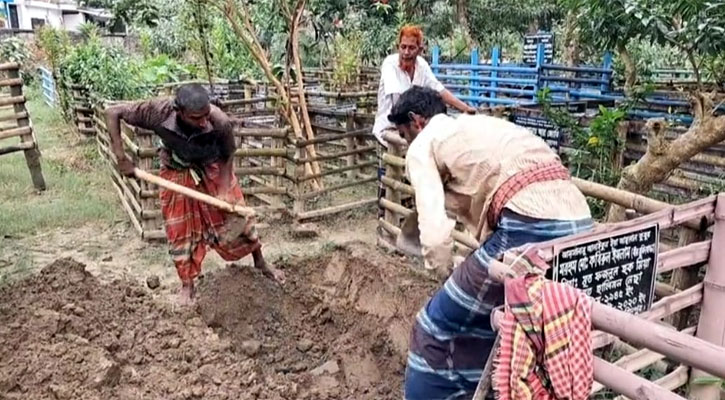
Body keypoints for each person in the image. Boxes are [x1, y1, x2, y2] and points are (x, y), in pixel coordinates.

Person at [387, 86, 593, 399]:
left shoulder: (423, 144)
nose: (406, 144)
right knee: (497, 321)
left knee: (434, 327)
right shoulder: (477, 125)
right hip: (578, 220)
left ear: (417, 121)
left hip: (531, 225)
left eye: (404, 135)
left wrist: (446, 276)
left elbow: (434, 233)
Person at [105, 83, 284, 305]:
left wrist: (223, 188)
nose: (202, 123)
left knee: (237, 217)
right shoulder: (157, 111)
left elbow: (229, 155)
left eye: (205, 116)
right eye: (195, 118)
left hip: (213, 167)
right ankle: (187, 286)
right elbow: (113, 112)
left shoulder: (219, 121)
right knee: (179, 230)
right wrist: (121, 157)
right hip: (175, 169)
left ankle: (260, 261)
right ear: (179, 112)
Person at [373, 25, 476, 219]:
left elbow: (438, 89)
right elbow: (401, 100)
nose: (406, 52)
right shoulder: (389, 64)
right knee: (388, 174)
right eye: (403, 47)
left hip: (412, 130)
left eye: (411, 48)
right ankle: (384, 216)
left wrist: (464, 108)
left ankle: (408, 216)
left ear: (420, 49)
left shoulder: (422, 66)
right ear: (398, 46)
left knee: (411, 173)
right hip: (389, 129)